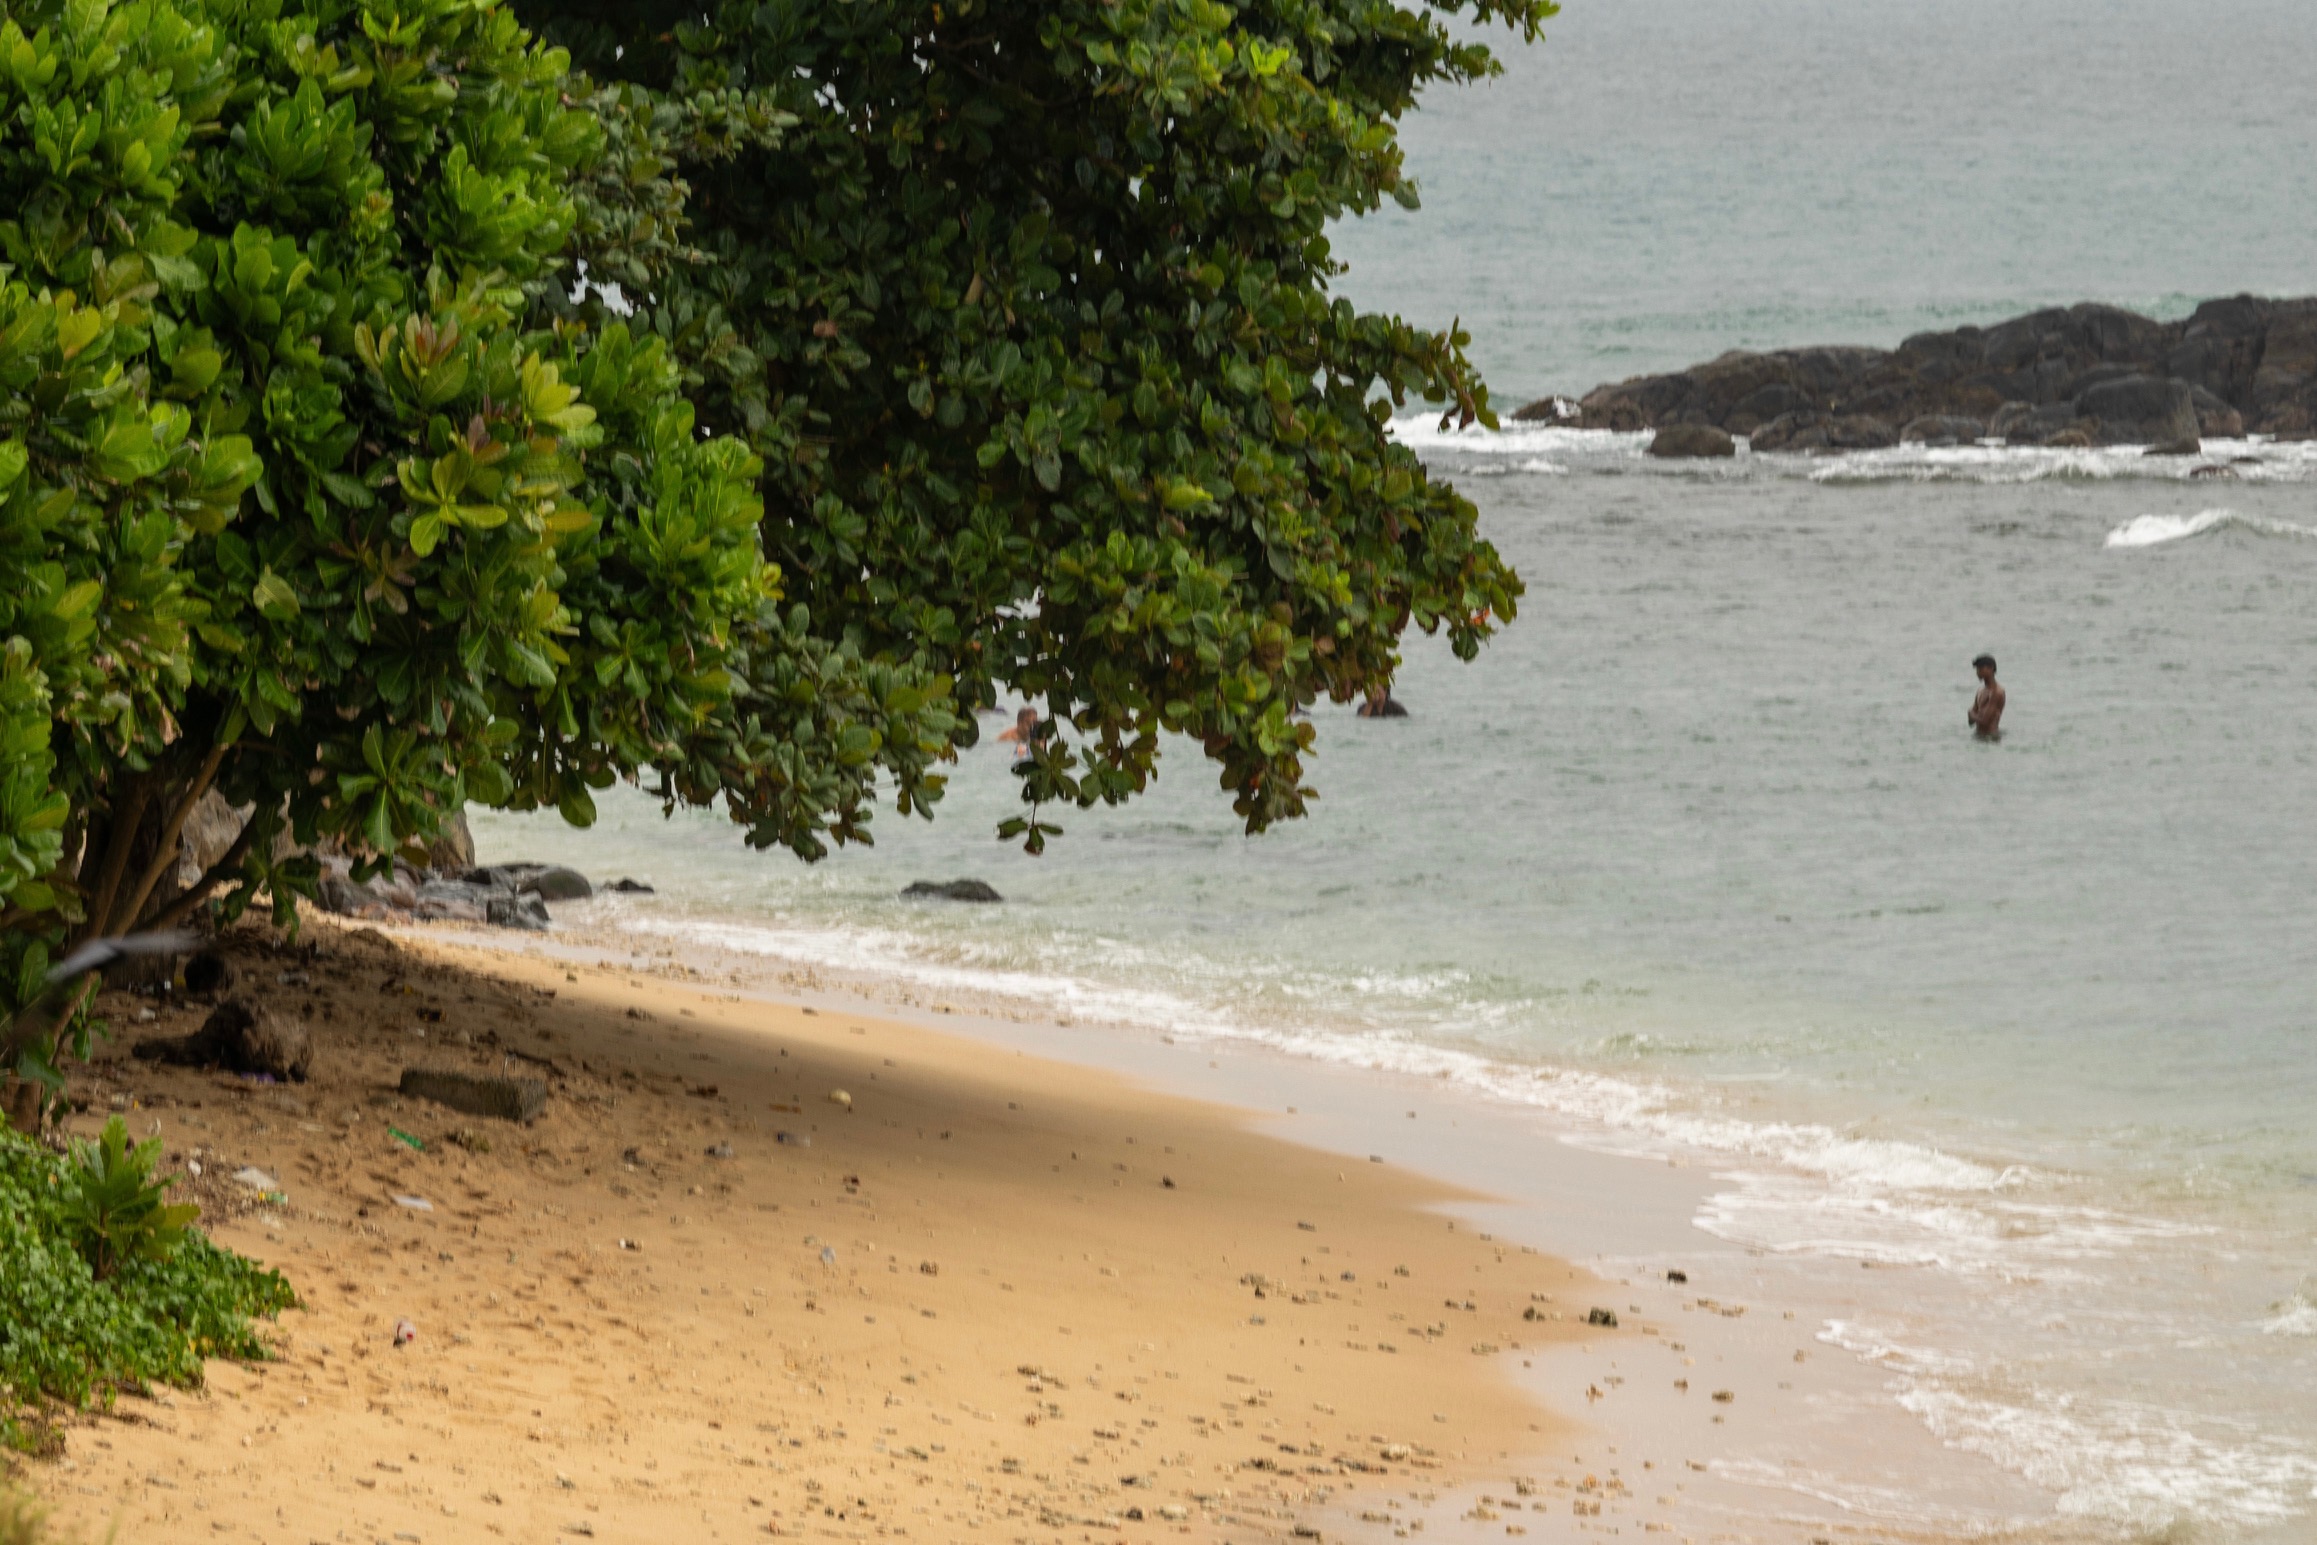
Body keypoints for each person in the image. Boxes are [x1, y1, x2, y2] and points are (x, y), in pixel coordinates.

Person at [1967, 654, 2005, 740]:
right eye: (1977, 669)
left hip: (1991, 736)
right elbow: (1970, 722)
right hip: (1979, 735)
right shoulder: (1980, 691)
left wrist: (1971, 713)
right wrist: (1972, 715)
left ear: (1991, 668)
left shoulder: (1997, 692)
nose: (1978, 672)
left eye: (1980, 669)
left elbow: (1985, 720)